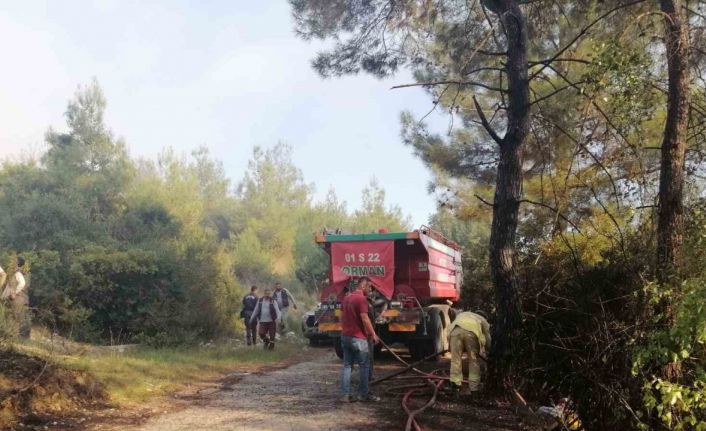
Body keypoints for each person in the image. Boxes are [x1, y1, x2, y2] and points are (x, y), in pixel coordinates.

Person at [339, 276, 381, 403]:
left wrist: (345, 330)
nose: (371, 290)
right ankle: (364, 393)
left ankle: (345, 395)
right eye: (369, 287)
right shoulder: (361, 299)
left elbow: (342, 317)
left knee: (347, 366)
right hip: (358, 338)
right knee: (364, 366)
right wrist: (373, 334)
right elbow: (365, 318)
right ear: (363, 286)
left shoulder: (346, 298)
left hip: (345, 337)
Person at [447, 310, 491, 393]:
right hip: (471, 334)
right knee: (473, 361)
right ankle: (474, 388)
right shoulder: (483, 319)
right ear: (484, 316)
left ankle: (456, 384)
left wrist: (450, 345)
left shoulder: (463, 314)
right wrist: (489, 350)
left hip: (455, 333)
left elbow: (451, 327)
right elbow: (488, 337)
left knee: (455, 360)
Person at [3, 257, 29, 339]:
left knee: (13, 316)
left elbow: (22, 283)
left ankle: (11, 336)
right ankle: (8, 334)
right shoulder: (13, 273)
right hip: (11, 298)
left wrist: (15, 292)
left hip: (16, 299)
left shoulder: (18, 273)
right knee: (10, 316)